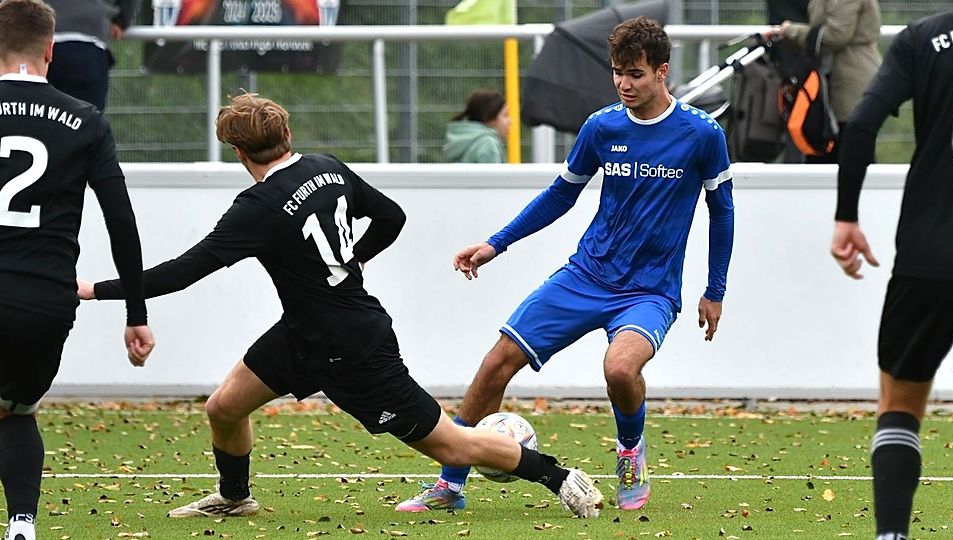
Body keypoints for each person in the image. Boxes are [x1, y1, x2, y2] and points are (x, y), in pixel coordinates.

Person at [76, 92, 604, 520]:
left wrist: (96, 289)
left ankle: (558, 477)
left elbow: (182, 273)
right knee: (224, 407)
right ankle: (235, 498)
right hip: (305, 332)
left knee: (452, 445)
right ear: (287, 137)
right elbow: (391, 218)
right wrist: (350, 260)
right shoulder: (325, 167)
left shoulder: (254, 209)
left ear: (238, 153)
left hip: (353, 347)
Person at [397, 16, 734, 513]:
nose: (624, 83)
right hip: (585, 276)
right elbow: (561, 195)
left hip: (649, 291)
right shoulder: (601, 127)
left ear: (662, 72)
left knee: (620, 370)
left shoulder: (701, 134)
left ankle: (630, 454)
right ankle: (451, 485)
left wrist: (715, 289)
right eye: (618, 71)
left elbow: (722, 211)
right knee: (495, 365)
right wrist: (497, 243)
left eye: (636, 73)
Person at [0, 1, 155, 539]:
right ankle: (22, 524)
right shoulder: (87, 122)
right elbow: (121, 222)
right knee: (15, 409)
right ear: (50, 50)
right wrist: (136, 312)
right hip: (45, 303)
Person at [828, 6, 953, 540]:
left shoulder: (924, 38)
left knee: (899, 405)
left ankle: (891, 536)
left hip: (929, 253)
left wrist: (846, 216)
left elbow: (860, 123)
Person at [765, 0, 882, 163]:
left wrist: (790, 31)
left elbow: (836, 35)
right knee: (824, 151)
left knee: (853, 155)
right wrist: (786, 35)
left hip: (850, 83)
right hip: (832, 83)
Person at [43, 0, 135, 111]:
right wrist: (122, 20)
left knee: (37, 118)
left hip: (44, 37)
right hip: (91, 40)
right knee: (87, 121)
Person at [442, 89, 509, 163]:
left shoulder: (460, 142)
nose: (510, 121)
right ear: (490, 118)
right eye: (505, 115)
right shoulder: (488, 145)